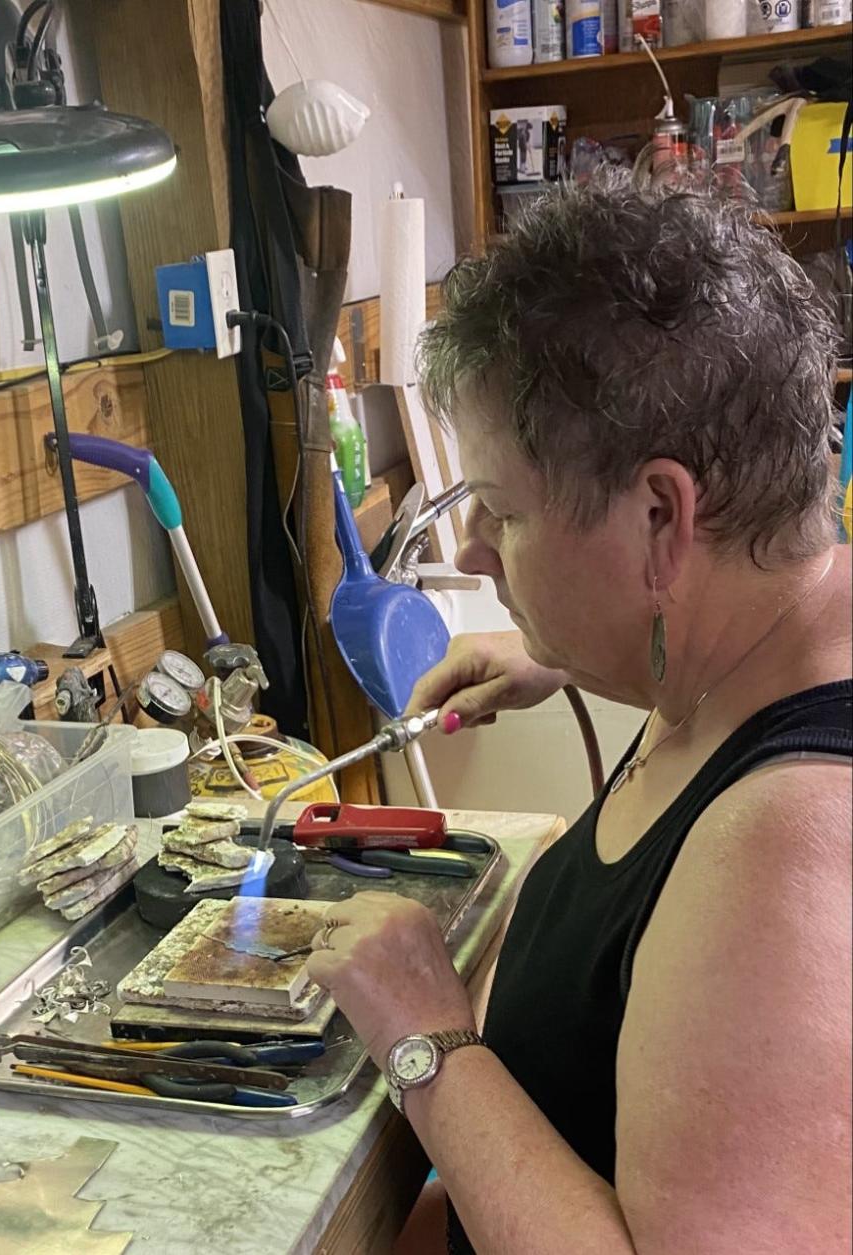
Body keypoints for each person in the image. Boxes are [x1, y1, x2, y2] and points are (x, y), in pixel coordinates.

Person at [305, 175, 852, 1254]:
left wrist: (425, 1036)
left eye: (502, 515)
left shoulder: (786, 845)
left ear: (660, 517)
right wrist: (573, 652)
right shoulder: (758, 649)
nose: (470, 557)